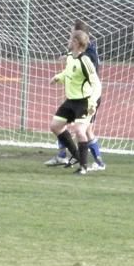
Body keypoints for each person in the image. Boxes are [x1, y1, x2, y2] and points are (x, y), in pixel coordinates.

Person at [45, 20, 105, 171]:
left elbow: (95, 82)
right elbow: (69, 71)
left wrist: (92, 103)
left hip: (87, 99)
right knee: (57, 125)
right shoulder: (72, 56)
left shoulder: (87, 57)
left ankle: (89, 164)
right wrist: (58, 77)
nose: (68, 38)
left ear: (77, 40)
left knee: (83, 130)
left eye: (71, 36)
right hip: (73, 98)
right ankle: (72, 156)